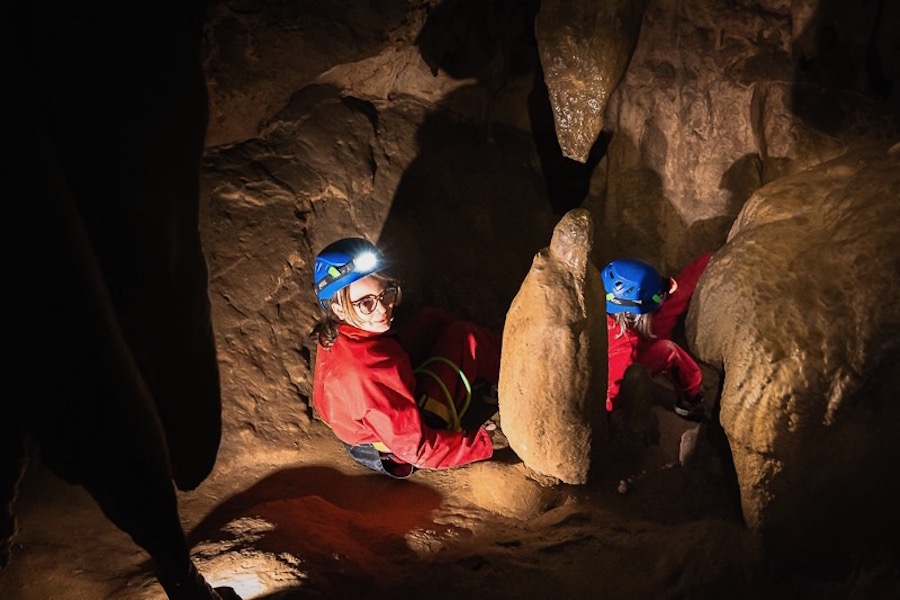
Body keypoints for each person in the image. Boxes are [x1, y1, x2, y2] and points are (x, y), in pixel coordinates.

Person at [310, 237, 500, 478]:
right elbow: (417, 449)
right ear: (337, 308)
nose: (382, 309)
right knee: (464, 339)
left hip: (364, 430)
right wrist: (478, 443)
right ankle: (512, 369)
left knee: (430, 321)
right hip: (395, 452)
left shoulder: (334, 333)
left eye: (385, 294)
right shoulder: (366, 373)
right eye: (365, 303)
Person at [602, 253, 713, 420]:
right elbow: (613, 395)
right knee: (667, 350)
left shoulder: (606, 301)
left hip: (631, 326)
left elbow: (672, 294)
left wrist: (710, 261)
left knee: (673, 303)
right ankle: (691, 400)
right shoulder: (624, 349)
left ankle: (709, 260)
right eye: (658, 297)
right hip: (627, 362)